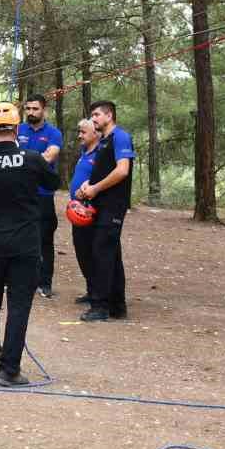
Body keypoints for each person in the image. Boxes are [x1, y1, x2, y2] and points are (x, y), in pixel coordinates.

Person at [0, 100, 61, 386]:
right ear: (17, 128)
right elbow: (52, 182)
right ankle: (8, 370)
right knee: (18, 306)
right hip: (24, 244)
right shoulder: (31, 159)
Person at [74, 100, 134, 322]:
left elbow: (122, 171)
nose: (94, 119)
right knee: (111, 254)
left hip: (113, 205)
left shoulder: (120, 137)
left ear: (109, 116)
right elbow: (102, 171)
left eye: (97, 115)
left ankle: (99, 306)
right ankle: (118, 306)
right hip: (100, 204)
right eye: (92, 115)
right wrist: (86, 186)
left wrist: (96, 188)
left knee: (102, 253)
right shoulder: (103, 142)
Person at [16, 95, 63, 298]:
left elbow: (50, 156)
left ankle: (45, 283)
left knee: (44, 240)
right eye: (28, 109)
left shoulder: (54, 133)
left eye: (35, 109)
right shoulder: (18, 130)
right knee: (18, 238)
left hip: (43, 195)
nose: (31, 112)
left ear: (44, 110)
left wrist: (23, 159)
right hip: (19, 194)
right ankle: (19, 280)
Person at [69, 117, 101, 307]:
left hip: (90, 211)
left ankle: (99, 293)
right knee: (81, 252)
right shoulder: (84, 151)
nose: (79, 135)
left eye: (83, 132)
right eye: (79, 131)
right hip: (76, 211)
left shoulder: (100, 153)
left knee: (93, 252)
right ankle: (91, 290)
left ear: (95, 133)